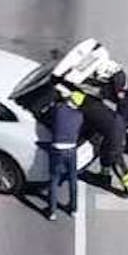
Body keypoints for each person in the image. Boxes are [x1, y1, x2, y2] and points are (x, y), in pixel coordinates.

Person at [78, 86, 128, 196]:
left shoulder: (87, 109)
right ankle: (104, 177)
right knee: (105, 156)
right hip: (114, 129)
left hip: (114, 134)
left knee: (116, 162)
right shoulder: (91, 103)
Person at [46, 88, 83, 220]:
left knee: (54, 179)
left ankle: (52, 212)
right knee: (73, 179)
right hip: (71, 149)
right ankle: (73, 209)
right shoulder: (79, 116)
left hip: (57, 149)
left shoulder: (59, 110)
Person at [97, 59, 128, 156]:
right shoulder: (121, 74)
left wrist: (105, 93)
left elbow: (119, 96)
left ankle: (127, 147)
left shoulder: (118, 80)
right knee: (127, 126)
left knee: (123, 127)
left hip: (124, 106)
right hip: (127, 103)